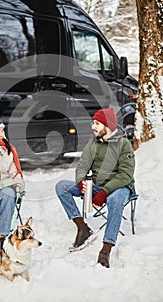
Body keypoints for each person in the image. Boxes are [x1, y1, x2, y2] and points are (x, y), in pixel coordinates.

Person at [55, 107, 135, 268]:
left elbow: (126, 175)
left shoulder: (123, 144)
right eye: (93, 123)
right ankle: (83, 228)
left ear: (108, 126)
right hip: (98, 186)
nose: (93, 127)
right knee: (62, 186)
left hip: (120, 187)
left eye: (97, 123)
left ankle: (106, 249)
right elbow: (83, 166)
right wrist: (81, 182)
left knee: (114, 200)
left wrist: (105, 191)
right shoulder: (93, 142)